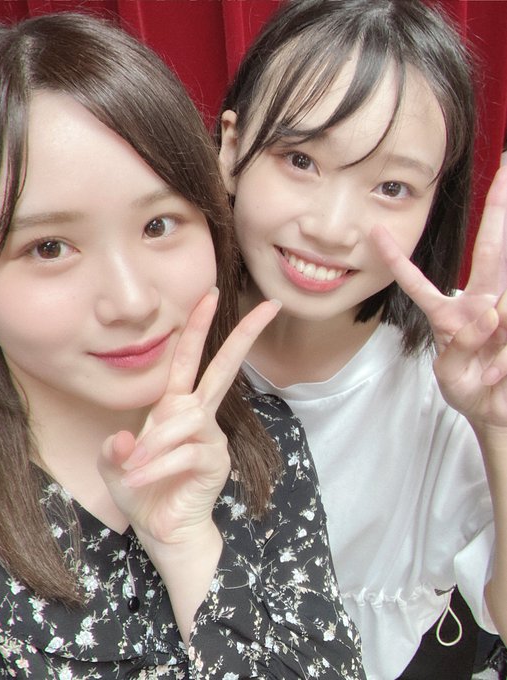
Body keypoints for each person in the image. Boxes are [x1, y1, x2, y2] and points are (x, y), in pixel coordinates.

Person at [0, 12, 366, 679]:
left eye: (159, 225)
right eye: (49, 247)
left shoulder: (263, 441)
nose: (132, 301)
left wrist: (191, 551)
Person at [216, 0, 507, 678]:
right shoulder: (141, 338)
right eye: (300, 159)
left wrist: (495, 427)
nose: (331, 226)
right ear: (231, 148)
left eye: (392, 186)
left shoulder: (453, 377)